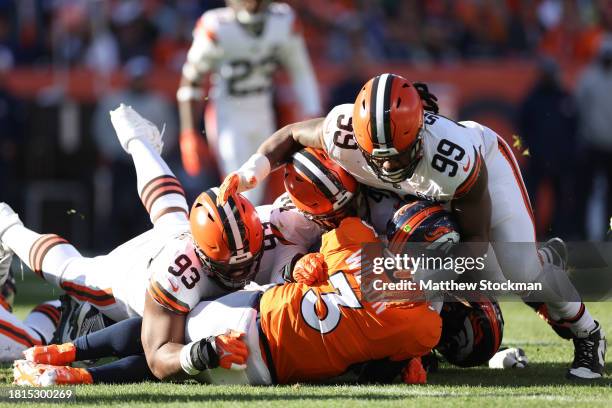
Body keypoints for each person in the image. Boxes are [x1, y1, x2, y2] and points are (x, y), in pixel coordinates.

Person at [217, 73, 606, 380]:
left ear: (418, 133)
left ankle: (588, 333)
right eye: (377, 159)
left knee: (517, 270)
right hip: (414, 201)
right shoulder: (343, 132)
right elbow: (289, 135)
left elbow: (474, 244)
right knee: (401, 245)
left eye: (395, 157)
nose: (387, 168)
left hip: (484, 173)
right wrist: (254, 168)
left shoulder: (454, 161)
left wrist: (449, 290)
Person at [16, 215, 441, 386]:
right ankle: (72, 374)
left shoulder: (353, 244)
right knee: (173, 359)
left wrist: (313, 267)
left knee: (166, 342)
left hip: (256, 315)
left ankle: (61, 356)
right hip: (270, 372)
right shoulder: (425, 327)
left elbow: (342, 233)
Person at [177, 0, 321, 205]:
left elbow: (300, 71)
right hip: (229, 116)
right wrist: (188, 132)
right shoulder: (217, 26)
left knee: (261, 188)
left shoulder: (283, 20)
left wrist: (311, 112)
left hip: (264, 113)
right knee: (242, 189)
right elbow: (191, 83)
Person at [575, 38, 612, 239]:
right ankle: (585, 232)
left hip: (603, 144)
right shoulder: (589, 78)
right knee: (587, 191)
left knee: (606, 196)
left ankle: (608, 231)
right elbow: (578, 108)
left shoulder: (588, 77)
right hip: (593, 144)